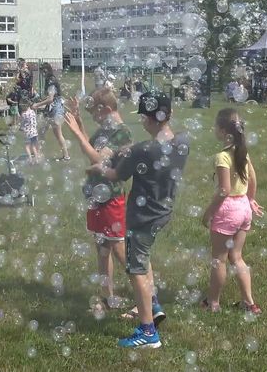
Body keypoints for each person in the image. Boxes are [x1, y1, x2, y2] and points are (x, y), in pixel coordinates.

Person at [87, 91, 189, 349]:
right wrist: (131, 149)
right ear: (169, 114)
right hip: (162, 211)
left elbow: (115, 175)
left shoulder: (143, 150)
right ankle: (152, 304)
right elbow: (154, 151)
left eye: (143, 117)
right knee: (143, 261)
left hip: (141, 217)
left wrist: (100, 167)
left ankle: (148, 333)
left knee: (137, 271)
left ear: (146, 119)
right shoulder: (181, 142)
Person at [64, 87, 132, 306]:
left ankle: (148, 297)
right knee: (102, 249)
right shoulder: (104, 129)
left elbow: (98, 160)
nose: (93, 117)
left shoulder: (121, 132)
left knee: (118, 248)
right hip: (97, 196)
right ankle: (108, 296)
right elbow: (90, 147)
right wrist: (79, 121)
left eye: (94, 113)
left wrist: (75, 132)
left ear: (107, 109)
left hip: (111, 197)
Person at [200, 108, 264, 314]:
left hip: (227, 210)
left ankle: (213, 302)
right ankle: (249, 302)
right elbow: (252, 180)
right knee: (236, 257)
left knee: (219, 258)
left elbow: (224, 189)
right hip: (243, 209)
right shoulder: (243, 151)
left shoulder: (222, 156)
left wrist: (209, 212)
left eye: (215, 126)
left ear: (222, 130)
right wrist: (250, 200)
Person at [32, 63, 70, 161]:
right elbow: (51, 97)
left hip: (56, 109)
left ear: (47, 70)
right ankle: (38, 154)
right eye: (41, 72)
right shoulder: (49, 80)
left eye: (43, 71)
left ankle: (66, 156)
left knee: (57, 133)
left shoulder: (51, 80)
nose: (42, 74)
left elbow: (50, 99)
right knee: (41, 131)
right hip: (52, 108)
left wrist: (37, 105)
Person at [19, 98, 40, 164]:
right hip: (34, 132)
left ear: (24, 106)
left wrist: (21, 128)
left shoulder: (24, 114)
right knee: (33, 146)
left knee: (27, 146)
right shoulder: (33, 112)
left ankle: (30, 159)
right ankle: (36, 159)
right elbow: (34, 121)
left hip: (28, 133)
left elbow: (22, 123)